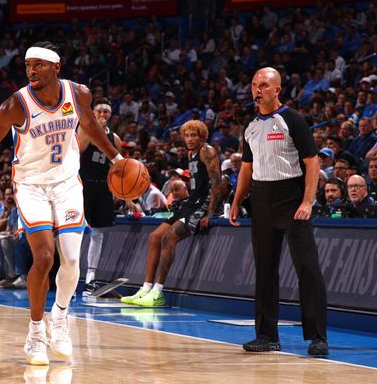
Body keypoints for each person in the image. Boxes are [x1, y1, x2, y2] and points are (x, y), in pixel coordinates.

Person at [0, 42, 123, 366]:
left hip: (67, 184)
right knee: (44, 257)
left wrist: (118, 158)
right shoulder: (15, 106)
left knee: (71, 261)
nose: (32, 71)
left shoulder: (78, 94)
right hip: (31, 186)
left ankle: (60, 318)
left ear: (56, 67)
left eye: (38, 65)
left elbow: (91, 125)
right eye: (28, 66)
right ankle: (36, 332)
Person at [229, 67, 328, 357]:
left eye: (263, 85)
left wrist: (307, 201)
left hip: (292, 197)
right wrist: (237, 200)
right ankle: (266, 336)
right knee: (265, 270)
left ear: (277, 90)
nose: (257, 90)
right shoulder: (250, 127)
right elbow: (246, 168)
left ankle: (317, 336)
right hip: (261, 198)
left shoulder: (293, 120)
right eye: (254, 85)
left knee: (307, 268)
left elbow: (312, 162)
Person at [122, 120, 223, 306]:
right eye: (187, 135)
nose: (190, 139)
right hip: (189, 203)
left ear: (202, 137)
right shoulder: (191, 153)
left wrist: (210, 212)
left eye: (194, 135)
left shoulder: (206, 151)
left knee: (169, 237)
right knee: (154, 237)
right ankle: (145, 288)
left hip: (202, 206)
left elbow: (218, 182)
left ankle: (158, 292)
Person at [77, 98, 121, 296]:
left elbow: (116, 168)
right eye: (99, 112)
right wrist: (94, 129)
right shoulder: (84, 129)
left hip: (103, 188)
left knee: (98, 235)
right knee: (76, 234)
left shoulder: (116, 138)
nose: (103, 115)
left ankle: (90, 281)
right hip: (83, 186)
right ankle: (69, 277)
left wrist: (124, 196)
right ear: (93, 113)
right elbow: (79, 149)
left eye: (106, 112)